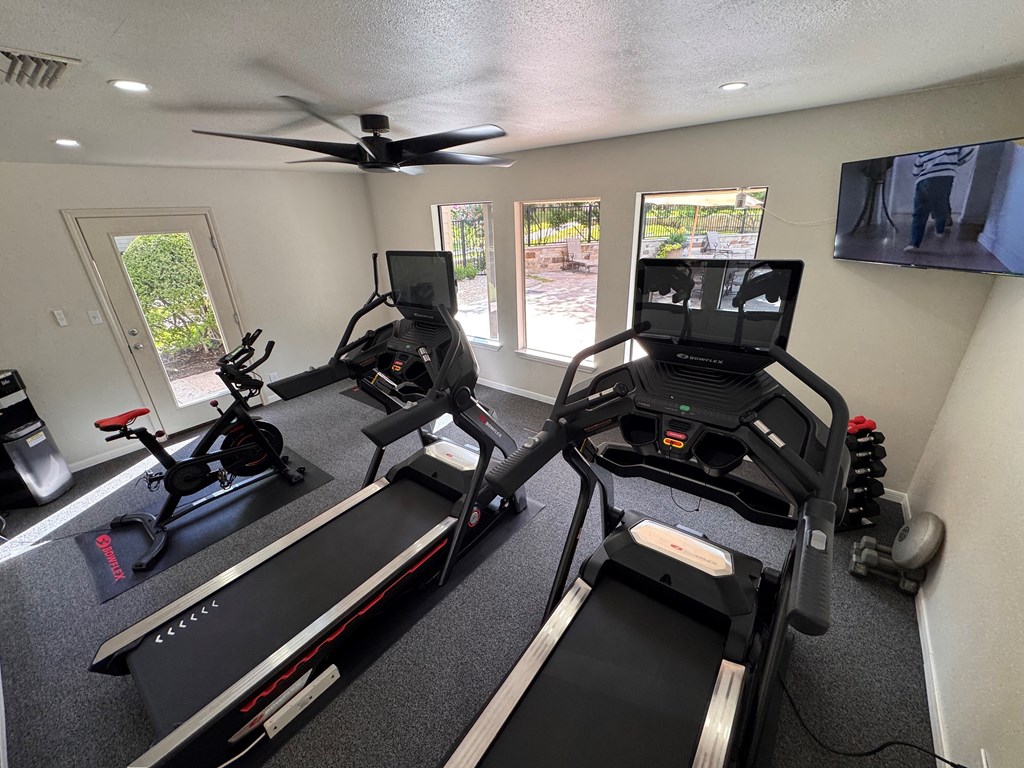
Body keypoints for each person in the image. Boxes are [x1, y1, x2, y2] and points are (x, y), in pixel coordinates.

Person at [904, 146, 976, 252]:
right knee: (941, 206)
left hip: (924, 181)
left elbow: (915, 171)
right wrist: (955, 163)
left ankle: (914, 243)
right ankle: (940, 231)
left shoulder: (923, 152)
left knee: (919, 213)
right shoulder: (953, 147)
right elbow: (968, 152)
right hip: (945, 178)